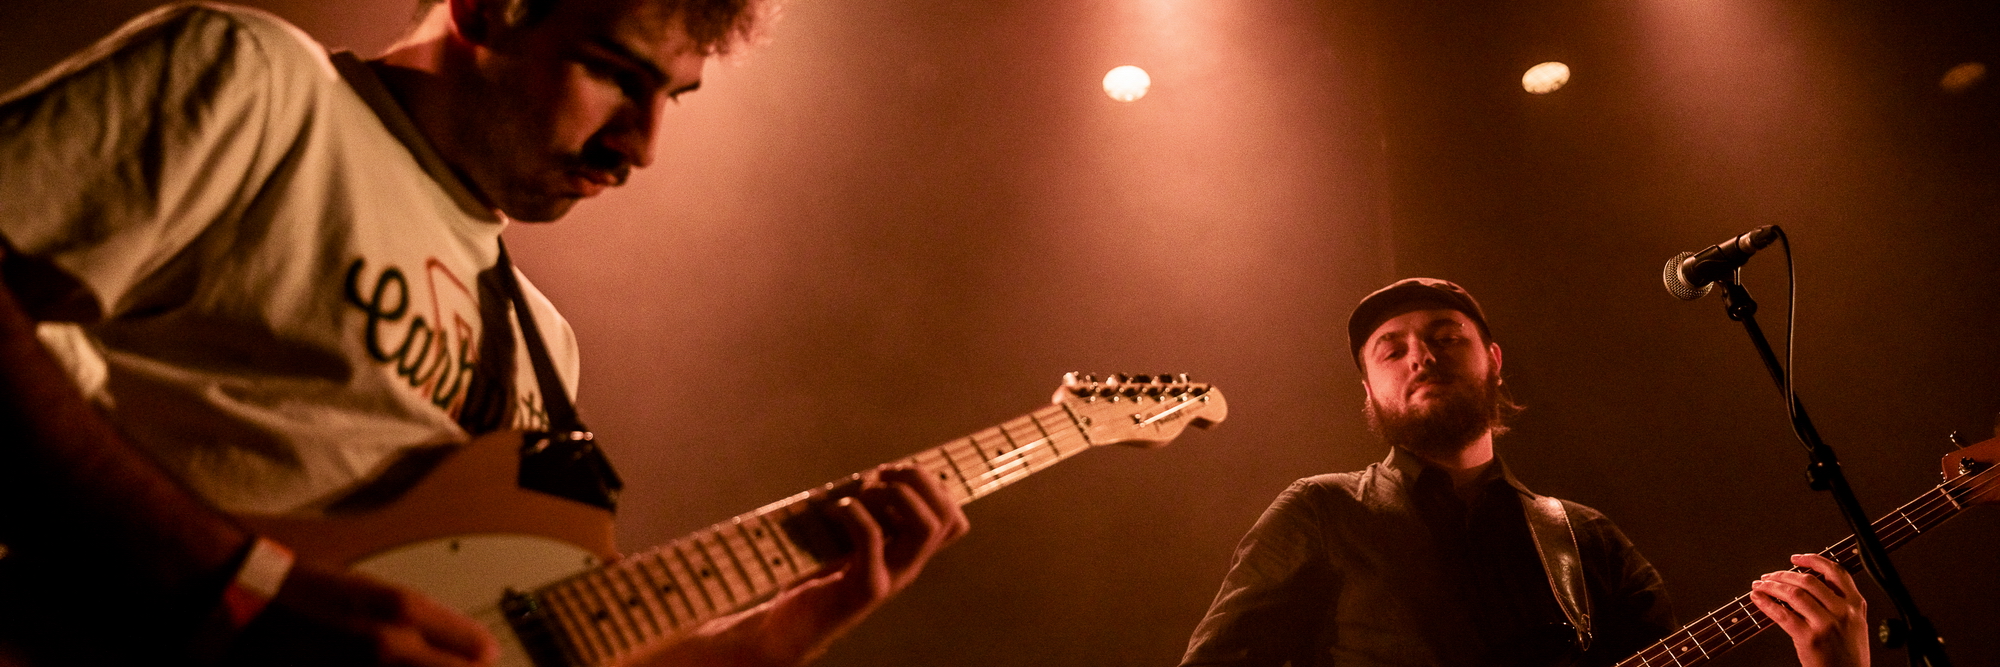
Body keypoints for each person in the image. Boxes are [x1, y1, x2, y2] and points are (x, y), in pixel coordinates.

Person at [0, 0, 967, 665]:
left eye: (671, 97)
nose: (642, 145)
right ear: (488, 6)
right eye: (613, 74)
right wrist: (235, 586)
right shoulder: (259, 86)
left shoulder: (546, 344)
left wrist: (788, 627)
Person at [1177, 278, 1869, 667]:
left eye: (1446, 337)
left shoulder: (1586, 540)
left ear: (1494, 359)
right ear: (1367, 391)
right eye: (1392, 349)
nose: (1421, 355)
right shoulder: (1322, 512)